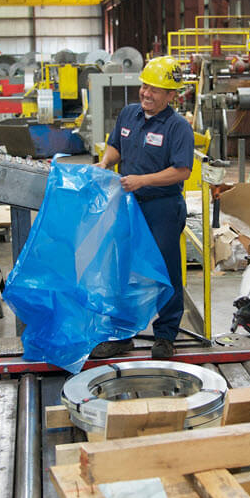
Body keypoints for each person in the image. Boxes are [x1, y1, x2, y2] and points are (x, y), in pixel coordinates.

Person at [92, 56, 195, 359]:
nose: (146, 93)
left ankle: (165, 336)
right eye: (145, 86)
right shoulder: (128, 115)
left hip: (162, 207)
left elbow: (182, 171)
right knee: (122, 267)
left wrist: (142, 180)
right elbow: (116, 146)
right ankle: (122, 334)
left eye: (156, 89)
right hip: (127, 205)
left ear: (171, 95)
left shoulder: (178, 128)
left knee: (164, 271)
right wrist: (105, 161)